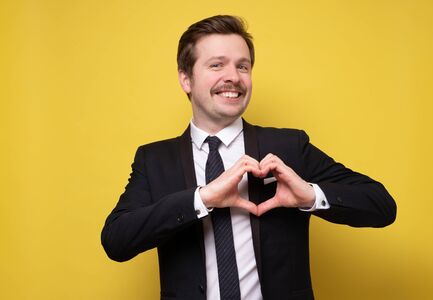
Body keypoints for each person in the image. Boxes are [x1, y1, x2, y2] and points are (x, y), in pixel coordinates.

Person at [101, 15, 396, 300]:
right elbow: (116, 240)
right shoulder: (154, 160)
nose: (233, 77)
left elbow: (381, 206)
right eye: (217, 65)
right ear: (186, 79)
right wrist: (201, 200)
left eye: (243, 66)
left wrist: (308, 195)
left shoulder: (288, 147)